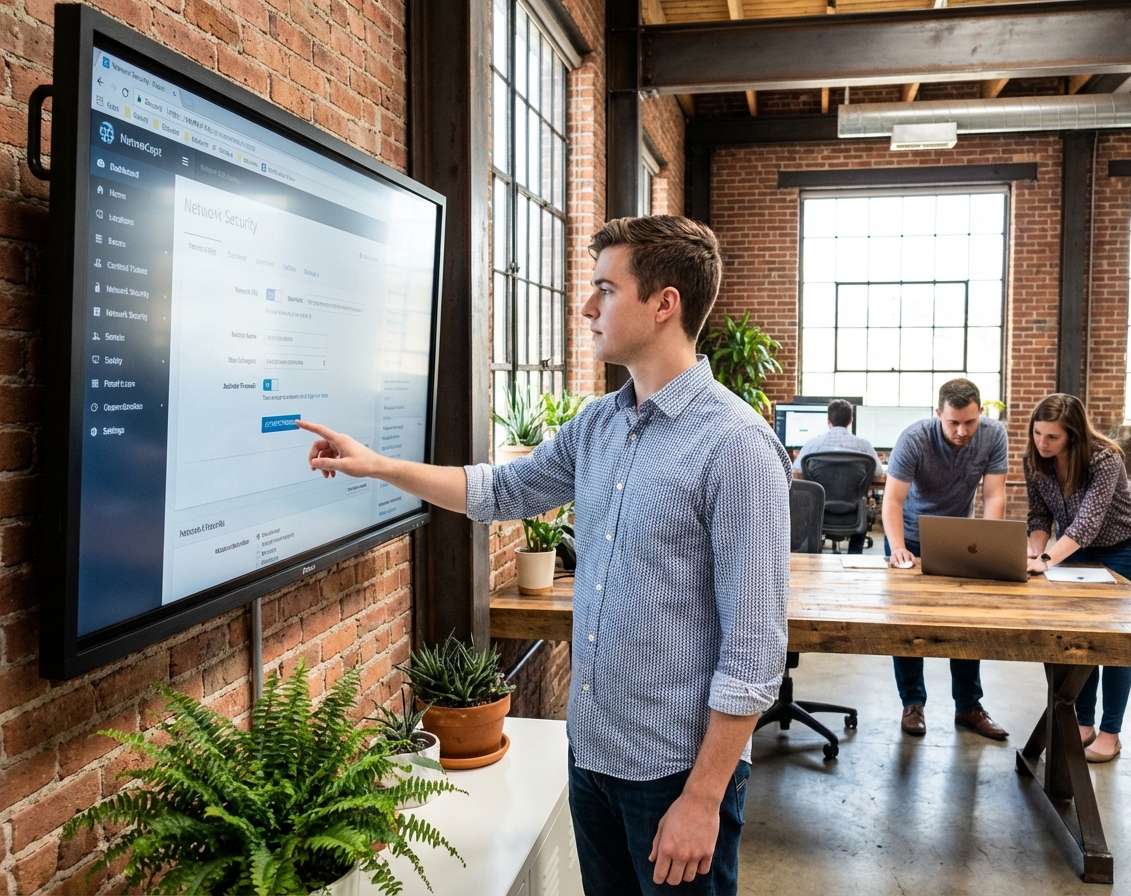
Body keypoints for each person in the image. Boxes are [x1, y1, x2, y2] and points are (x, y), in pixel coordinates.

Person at [297, 215, 791, 894]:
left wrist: (703, 799)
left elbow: (754, 653)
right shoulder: (599, 423)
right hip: (592, 759)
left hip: (676, 777)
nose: (586, 307)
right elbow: (499, 490)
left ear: (664, 304)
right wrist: (379, 466)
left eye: (605, 289)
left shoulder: (736, 446)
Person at [882, 378, 1010, 740]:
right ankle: (913, 703)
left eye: (970, 422)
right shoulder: (914, 438)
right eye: (953, 422)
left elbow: (994, 495)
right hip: (909, 537)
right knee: (907, 625)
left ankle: (969, 706)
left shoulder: (993, 435)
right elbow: (893, 500)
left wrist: (988, 545)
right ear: (938, 413)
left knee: (967, 622)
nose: (962, 431)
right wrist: (897, 547)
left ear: (980, 413)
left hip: (959, 539)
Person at [1024, 393, 1131, 763]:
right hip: (1072, 550)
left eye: (1053, 437)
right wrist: (1034, 553)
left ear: (1073, 436)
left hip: (1122, 549)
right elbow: (1039, 515)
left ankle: (1110, 733)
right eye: (1037, 433)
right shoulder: (1036, 459)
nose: (1042, 443)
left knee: (1114, 644)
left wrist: (1046, 560)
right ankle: (1083, 723)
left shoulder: (1104, 459)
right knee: (1079, 639)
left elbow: (1088, 523)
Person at [796, 398, 883, 553]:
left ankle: (813, 557)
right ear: (850, 420)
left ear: (828, 420)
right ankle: (855, 556)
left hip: (819, 514)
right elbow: (878, 473)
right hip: (854, 514)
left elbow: (796, 469)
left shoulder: (812, 445)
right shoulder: (864, 446)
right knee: (862, 506)